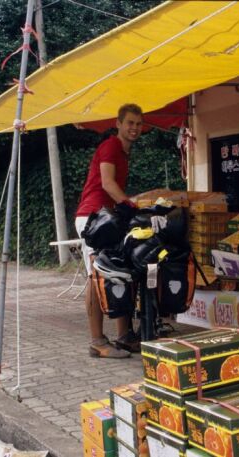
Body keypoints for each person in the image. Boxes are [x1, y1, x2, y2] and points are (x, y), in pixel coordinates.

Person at [75, 103, 143, 358]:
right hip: (94, 219)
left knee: (120, 271)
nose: (134, 128)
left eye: (138, 123)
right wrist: (132, 205)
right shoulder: (111, 146)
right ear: (119, 123)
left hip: (109, 219)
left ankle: (124, 336)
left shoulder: (124, 152)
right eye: (130, 123)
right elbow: (107, 182)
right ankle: (97, 341)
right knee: (97, 276)